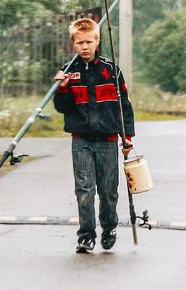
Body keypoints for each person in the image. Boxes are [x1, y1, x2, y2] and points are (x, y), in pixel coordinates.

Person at [53, 17, 135, 254]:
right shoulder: (69, 71)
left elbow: (125, 106)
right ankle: (86, 235)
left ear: (97, 41)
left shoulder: (111, 70)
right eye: (80, 43)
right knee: (84, 189)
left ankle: (109, 227)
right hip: (81, 140)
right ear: (73, 44)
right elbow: (63, 108)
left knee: (108, 189)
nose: (85, 47)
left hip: (108, 140)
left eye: (89, 41)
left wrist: (126, 136)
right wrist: (63, 88)